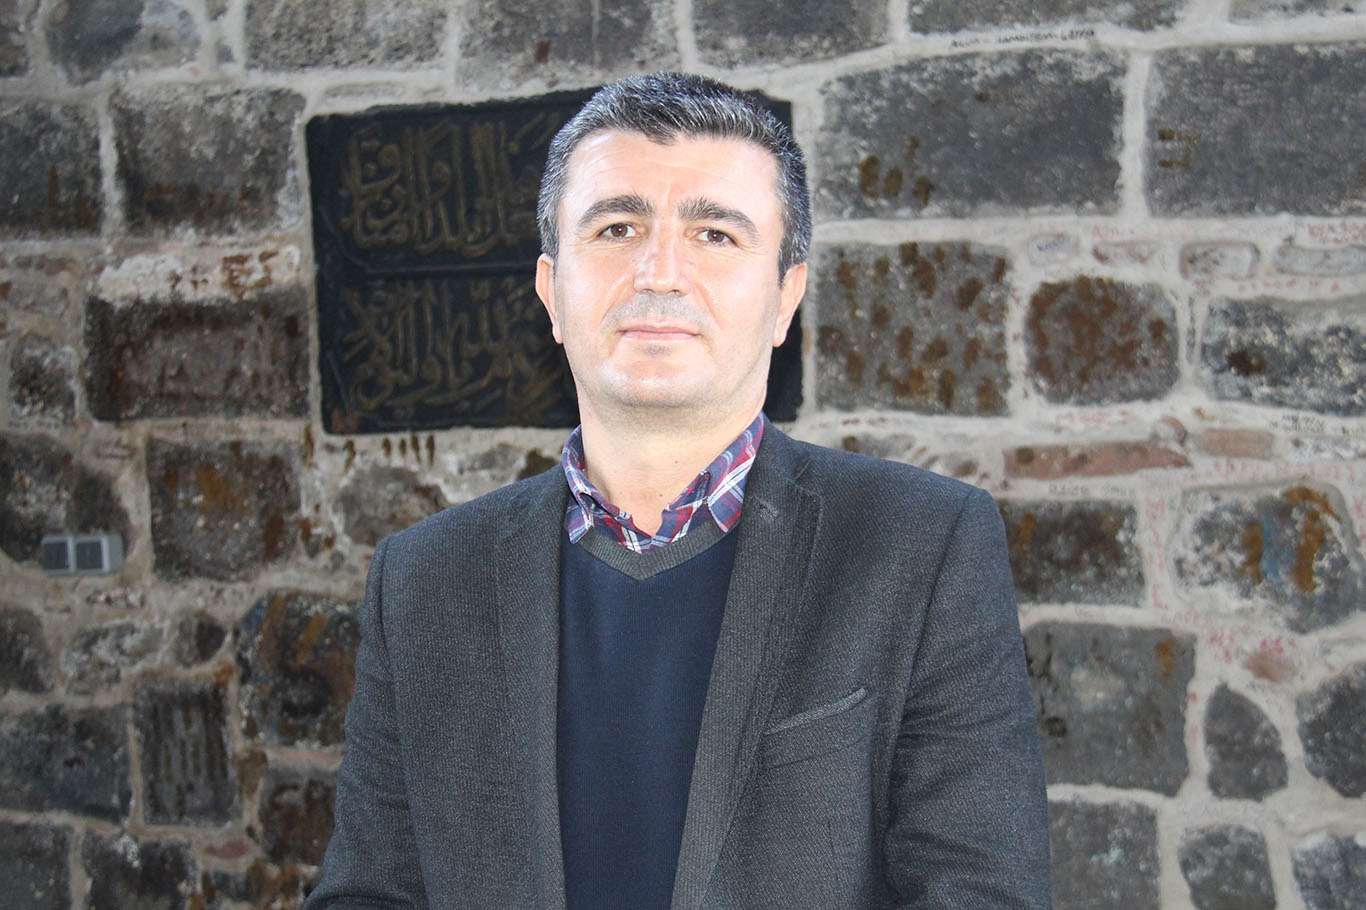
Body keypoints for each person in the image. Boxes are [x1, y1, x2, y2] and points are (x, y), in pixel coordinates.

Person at [306, 72, 1051, 909]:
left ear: (786, 297)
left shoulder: (921, 550)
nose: (659, 272)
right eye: (617, 228)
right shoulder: (423, 582)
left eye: (715, 234)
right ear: (552, 293)